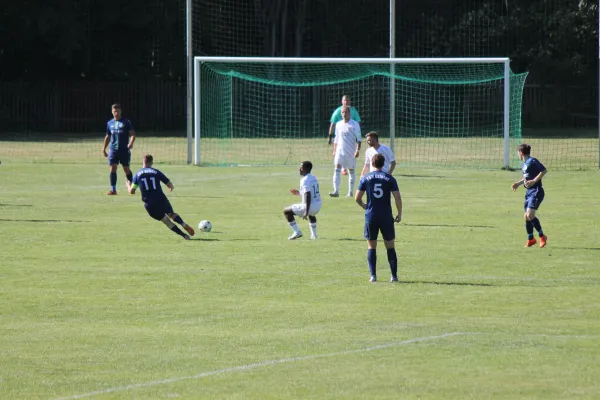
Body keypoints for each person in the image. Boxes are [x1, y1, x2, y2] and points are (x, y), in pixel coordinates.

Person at [355, 153, 403, 283]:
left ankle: (373, 276)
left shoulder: (366, 178)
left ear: (372, 163)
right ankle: (393, 276)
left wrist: (365, 206)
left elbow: (357, 197)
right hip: (386, 216)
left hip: (371, 215)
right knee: (390, 246)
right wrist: (399, 213)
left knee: (371, 246)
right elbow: (397, 197)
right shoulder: (389, 178)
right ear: (384, 164)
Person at [126, 154, 196, 240]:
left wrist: (128, 185)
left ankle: (184, 236)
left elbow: (132, 191)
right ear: (151, 162)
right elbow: (170, 185)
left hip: (149, 203)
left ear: (143, 162)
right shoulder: (156, 172)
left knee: (166, 221)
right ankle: (182, 223)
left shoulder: (137, 174)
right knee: (171, 214)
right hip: (161, 199)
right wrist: (170, 188)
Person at [511, 144, 548, 248]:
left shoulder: (532, 161)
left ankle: (542, 236)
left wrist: (534, 181)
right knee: (526, 217)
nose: (518, 154)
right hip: (529, 192)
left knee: (530, 215)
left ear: (521, 153)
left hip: (536, 191)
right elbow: (526, 178)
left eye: (518, 153)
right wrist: (518, 184)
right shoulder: (524, 164)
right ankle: (531, 239)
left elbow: (544, 170)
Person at [102, 103, 136, 195]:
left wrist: (130, 143)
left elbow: (132, 135)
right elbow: (108, 136)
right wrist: (104, 149)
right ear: (112, 112)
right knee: (113, 168)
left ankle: (132, 187)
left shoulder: (126, 122)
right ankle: (113, 189)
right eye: (114, 111)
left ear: (120, 111)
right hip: (113, 150)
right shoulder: (109, 123)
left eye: (117, 111)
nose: (115, 113)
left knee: (126, 169)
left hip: (124, 150)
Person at [284, 161, 322, 240]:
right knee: (312, 214)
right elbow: (309, 192)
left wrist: (306, 211)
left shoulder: (304, 180)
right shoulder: (313, 178)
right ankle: (314, 236)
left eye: (301, 167)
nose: (299, 169)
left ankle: (297, 232)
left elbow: (308, 195)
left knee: (286, 211)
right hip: (318, 205)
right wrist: (298, 193)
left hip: (310, 206)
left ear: (306, 169)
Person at [330, 105, 362, 197]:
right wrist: (334, 150)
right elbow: (336, 138)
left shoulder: (354, 124)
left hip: (351, 152)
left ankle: (350, 192)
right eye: (343, 112)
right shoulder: (338, 124)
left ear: (349, 113)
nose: (344, 114)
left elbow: (359, 139)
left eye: (346, 112)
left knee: (351, 170)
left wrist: (357, 150)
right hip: (340, 151)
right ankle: (336, 191)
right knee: (336, 169)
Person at [327, 95, 361, 175]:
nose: (346, 102)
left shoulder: (354, 111)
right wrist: (330, 136)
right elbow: (333, 124)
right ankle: (343, 168)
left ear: (350, 101)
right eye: (344, 100)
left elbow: (358, 122)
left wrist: (357, 135)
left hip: (351, 134)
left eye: (348, 100)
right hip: (340, 135)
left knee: (349, 151)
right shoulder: (337, 111)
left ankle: (348, 167)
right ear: (342, 102)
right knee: (340, 150)